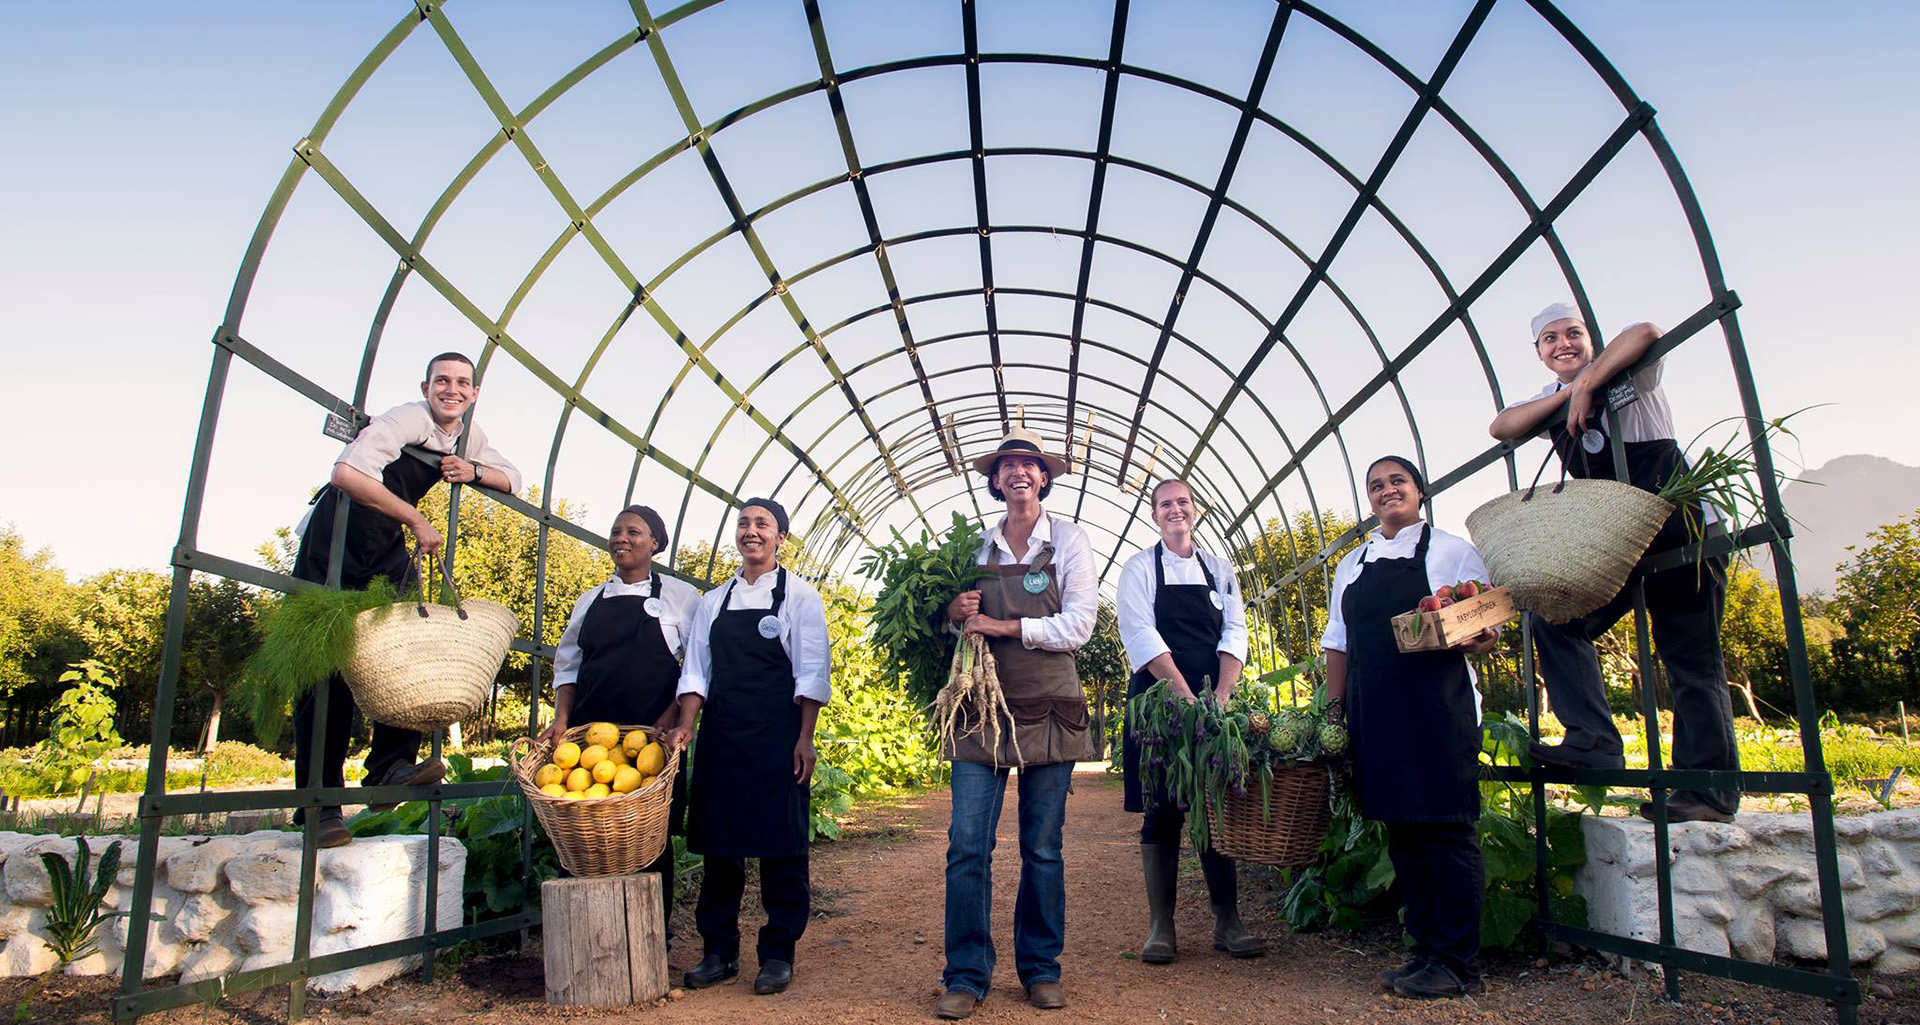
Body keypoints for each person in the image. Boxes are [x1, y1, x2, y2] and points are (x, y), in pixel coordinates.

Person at [1488, 303, 1739, 823]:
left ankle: (1707, 789)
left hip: (1676, 522)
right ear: (1538, 352)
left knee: (1690, 658)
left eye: (1574, 334)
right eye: (1550, 339)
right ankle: (1593, 739)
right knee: (1556, 616)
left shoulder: (1630, 370)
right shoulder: (1546, 400)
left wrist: (1590, 382)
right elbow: (1501, 425)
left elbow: (1647, 330)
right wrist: (1566, 395)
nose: (1564, 344)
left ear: (1590, 337)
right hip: (1614, 537)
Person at [291, 352, 521, 848]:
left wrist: (472, 470)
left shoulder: (465, 432)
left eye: (463, 382)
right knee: (323, 668)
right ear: (426, 386)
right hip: (337, 537)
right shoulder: (408, 418)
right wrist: (416, 520)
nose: (452, 389)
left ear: (474, 393)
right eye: (442, 381)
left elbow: (513, 478)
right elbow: (347, 474)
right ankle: (318, 805)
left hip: (384, 541)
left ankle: (389, 770)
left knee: (408, 649)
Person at [935, 427, 1096, 1020]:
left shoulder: (1070, 541)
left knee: (1042, 848)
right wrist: (954, 615)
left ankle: (1040, 968)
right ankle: (967, 973)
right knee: (967, 846)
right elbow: (956, 626)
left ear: (1044, 477)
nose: (1019, 473)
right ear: (996, 480)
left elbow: (1080, 625)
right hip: (980, 707)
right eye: (1008, 465)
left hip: (1050, 705)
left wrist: (1006, 628)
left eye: (1029, 464)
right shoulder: (974, 548)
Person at [1323, 456, 1498, 1000]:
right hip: (1376, 711)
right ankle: (1426, 951)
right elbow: (1338, 643)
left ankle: (1458, 962)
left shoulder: (1449, 550)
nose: (1386, 491)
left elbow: (1483, 621)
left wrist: (1478, 637)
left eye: (1397, 481)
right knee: (1403, 834)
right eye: (1376, 486)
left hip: (1438, 710)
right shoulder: (1352, 564)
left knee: (1446, 830)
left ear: (1418, 491)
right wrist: (1334, 712)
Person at [661, 498, 830, 996]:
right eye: (744, 523)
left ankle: (778, 953)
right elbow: (696, 670)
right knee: (720, 847)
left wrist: (805, 737)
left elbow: (811, 671)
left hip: (779, 737)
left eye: (763, 524)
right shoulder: (715, 601)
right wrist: (686, 725)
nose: (751, 531)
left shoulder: (799, 597)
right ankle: (719, 951)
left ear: (780, 537)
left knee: (782, 847)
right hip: (723, 736)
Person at [1115, 478, 1262, 964]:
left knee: (1216, 805)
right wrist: (1182, 693)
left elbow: (1236, 630)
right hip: (1158, 700)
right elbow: (1138, 630)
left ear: (1195, 510)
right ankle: (1161, 926)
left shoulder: (1219, 570)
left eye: (1182, 502)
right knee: (1162, 806)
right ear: (1154, 515)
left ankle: (1228, 920)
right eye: (1164, 505)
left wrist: (1220, 695)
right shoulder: (1139, 568)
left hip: (1212, 702)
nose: (1174, 510)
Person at [542, 504, 701, 932]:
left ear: (655, 543)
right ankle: (587, 934)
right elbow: (568, 665)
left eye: (633, 531)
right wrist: (562, 717)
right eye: (616, 531)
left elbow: (696, 667)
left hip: (654, 740)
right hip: (590, 745)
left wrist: (671, 720)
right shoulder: (590, 599)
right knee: (584, 834)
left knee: (651, 841)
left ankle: (652, 933)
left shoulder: (680, 597)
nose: (622, 538)